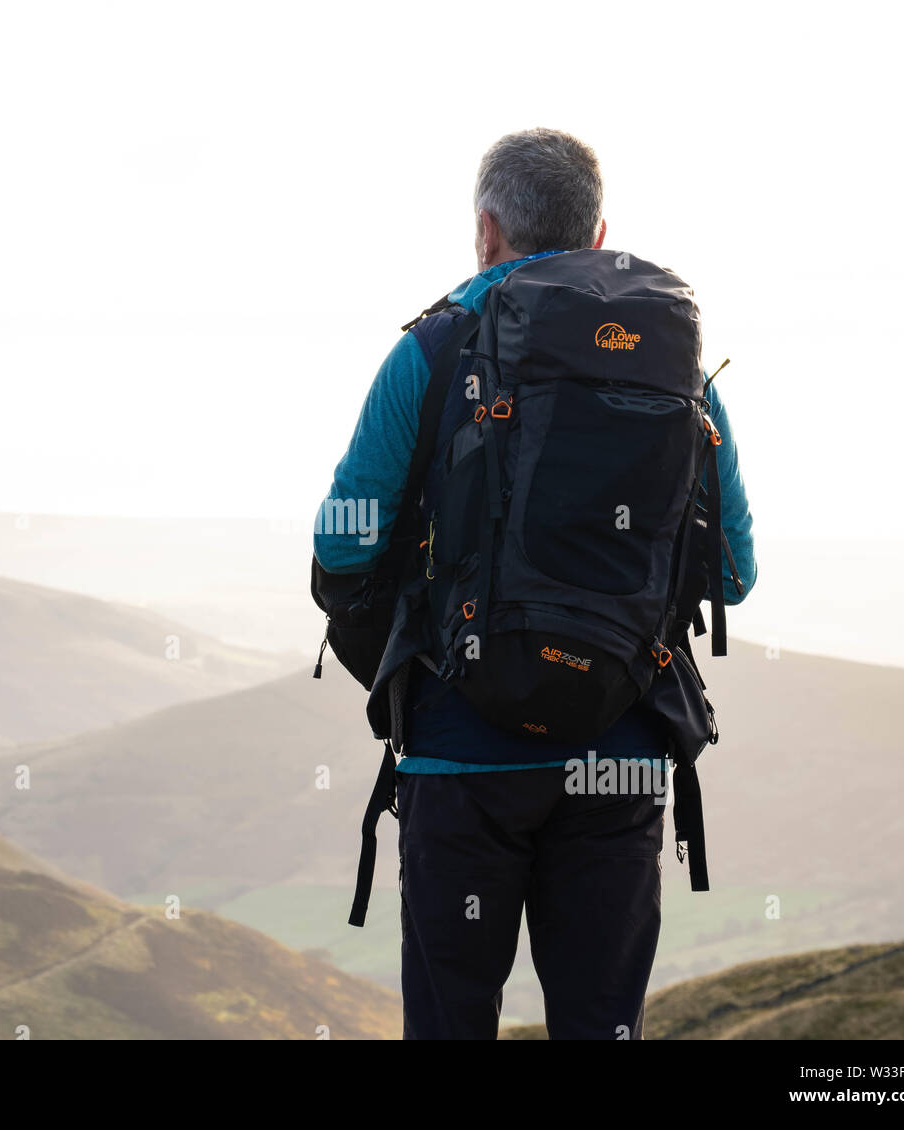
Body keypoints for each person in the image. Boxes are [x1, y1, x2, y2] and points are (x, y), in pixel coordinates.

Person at [313, 128, 757, 1040]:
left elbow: (343, 549)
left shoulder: (432, 351)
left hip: (460, 752)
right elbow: (734, 575)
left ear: (486, 231)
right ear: (600, 235)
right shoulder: (674, 369)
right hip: (620, 748)